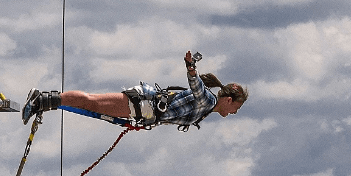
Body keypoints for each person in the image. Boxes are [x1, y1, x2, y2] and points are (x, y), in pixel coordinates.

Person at [22, 50, 248, 129]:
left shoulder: (207, 108)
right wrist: (191, 69)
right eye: (236, 107)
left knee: (91, 104)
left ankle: (44, 100)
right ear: (228, 100)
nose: (235, 113)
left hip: (142, 109)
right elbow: (196, 86)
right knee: (90, 102)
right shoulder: (208, 101)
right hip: (140, 104)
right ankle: (41, 98)